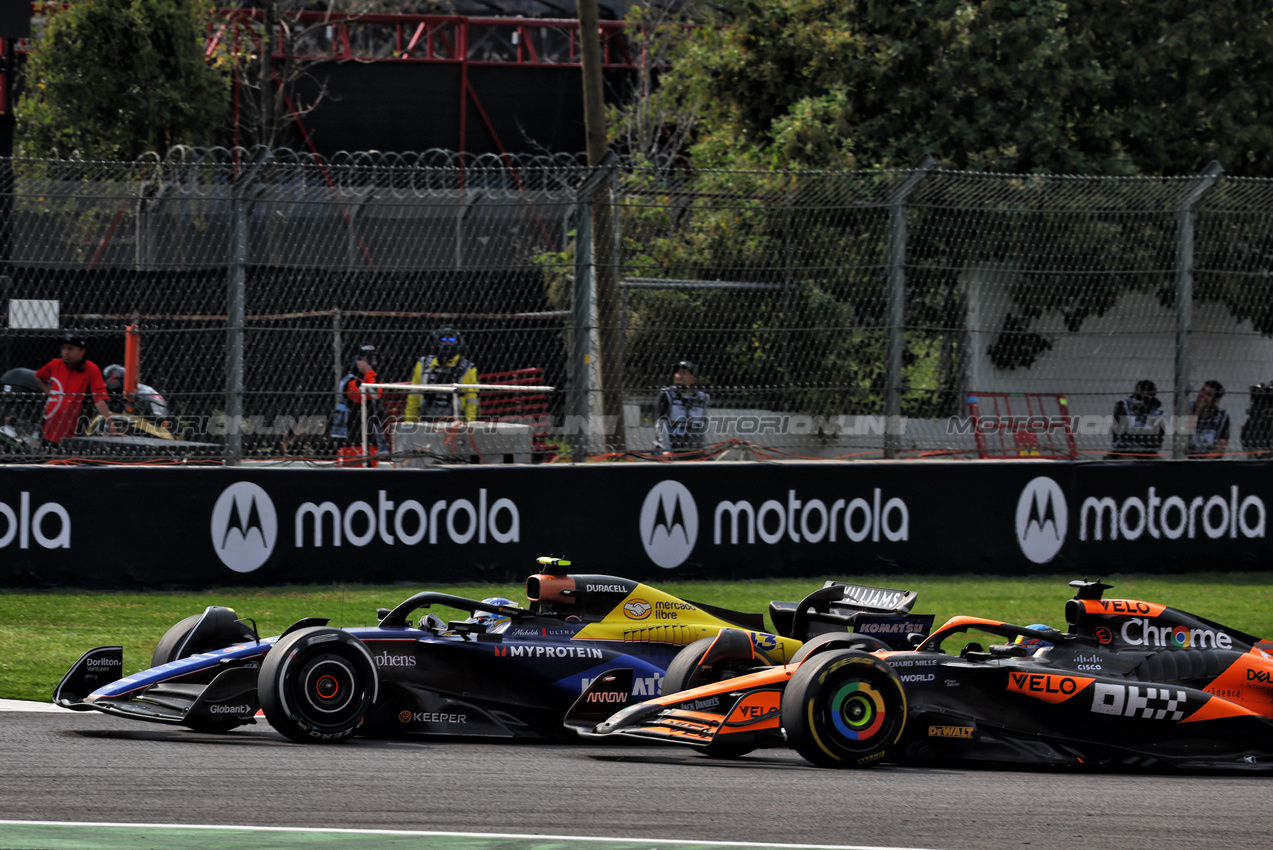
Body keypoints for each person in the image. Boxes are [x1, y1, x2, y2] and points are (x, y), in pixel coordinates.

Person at [33, 332, 115, 450]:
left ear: (81, 351)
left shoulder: (91, 369)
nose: (66, 352)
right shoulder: (55, 364)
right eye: (64, 348)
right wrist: (50, 393)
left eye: (70, 349)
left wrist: (110, 424)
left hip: (72, 426)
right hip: (49, 422)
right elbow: (38, 376)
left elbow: (99, 398)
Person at [404, 326, 478, 423]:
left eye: (452, 339)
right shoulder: (424, 364)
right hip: (426, 416)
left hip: (456, 419)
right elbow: (414, 397)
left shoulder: (468, 368)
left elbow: (471, 401)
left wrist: (469, 425)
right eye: (443, 339)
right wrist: (410, 422)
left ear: (458, 342)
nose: (447, 343)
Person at [330, 344, 386, 460]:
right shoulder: (349, 381)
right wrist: (367, 372)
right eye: (367, 359)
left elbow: (375, 393)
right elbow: (367, 394)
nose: (371, 362)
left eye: (372, 359)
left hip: (371, 434)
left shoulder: (375, 377)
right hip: (350, 434)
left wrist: (368, 372)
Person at [654, 360, 710, 458]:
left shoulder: (702, 398)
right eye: (678, 373)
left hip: (692, 449)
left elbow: (703, 426)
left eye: (684, 373)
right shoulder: (666, 395)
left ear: (693, 379)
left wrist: (702, 448)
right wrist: (666, 449)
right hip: (670, 448)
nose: (679, 375)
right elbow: (661, 424)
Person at [1107, 379, 1165, 459]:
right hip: (1125, 450)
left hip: (1147, 452)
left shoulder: (1158, 412)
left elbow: (1157, 441)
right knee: (1129, 462)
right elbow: (1121, 432)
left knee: (1159, 463)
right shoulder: (1124, 406)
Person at [1187, 380, 1230, 459]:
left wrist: (1204, 464)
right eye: (1202, 390)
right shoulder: (1187, 409)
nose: (1202, 395)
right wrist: (1197, 411)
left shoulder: (1221, 415)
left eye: (1208, 394)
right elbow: (1183, 434)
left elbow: (1221, 447)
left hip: (1210, 462)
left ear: (1215, 401)